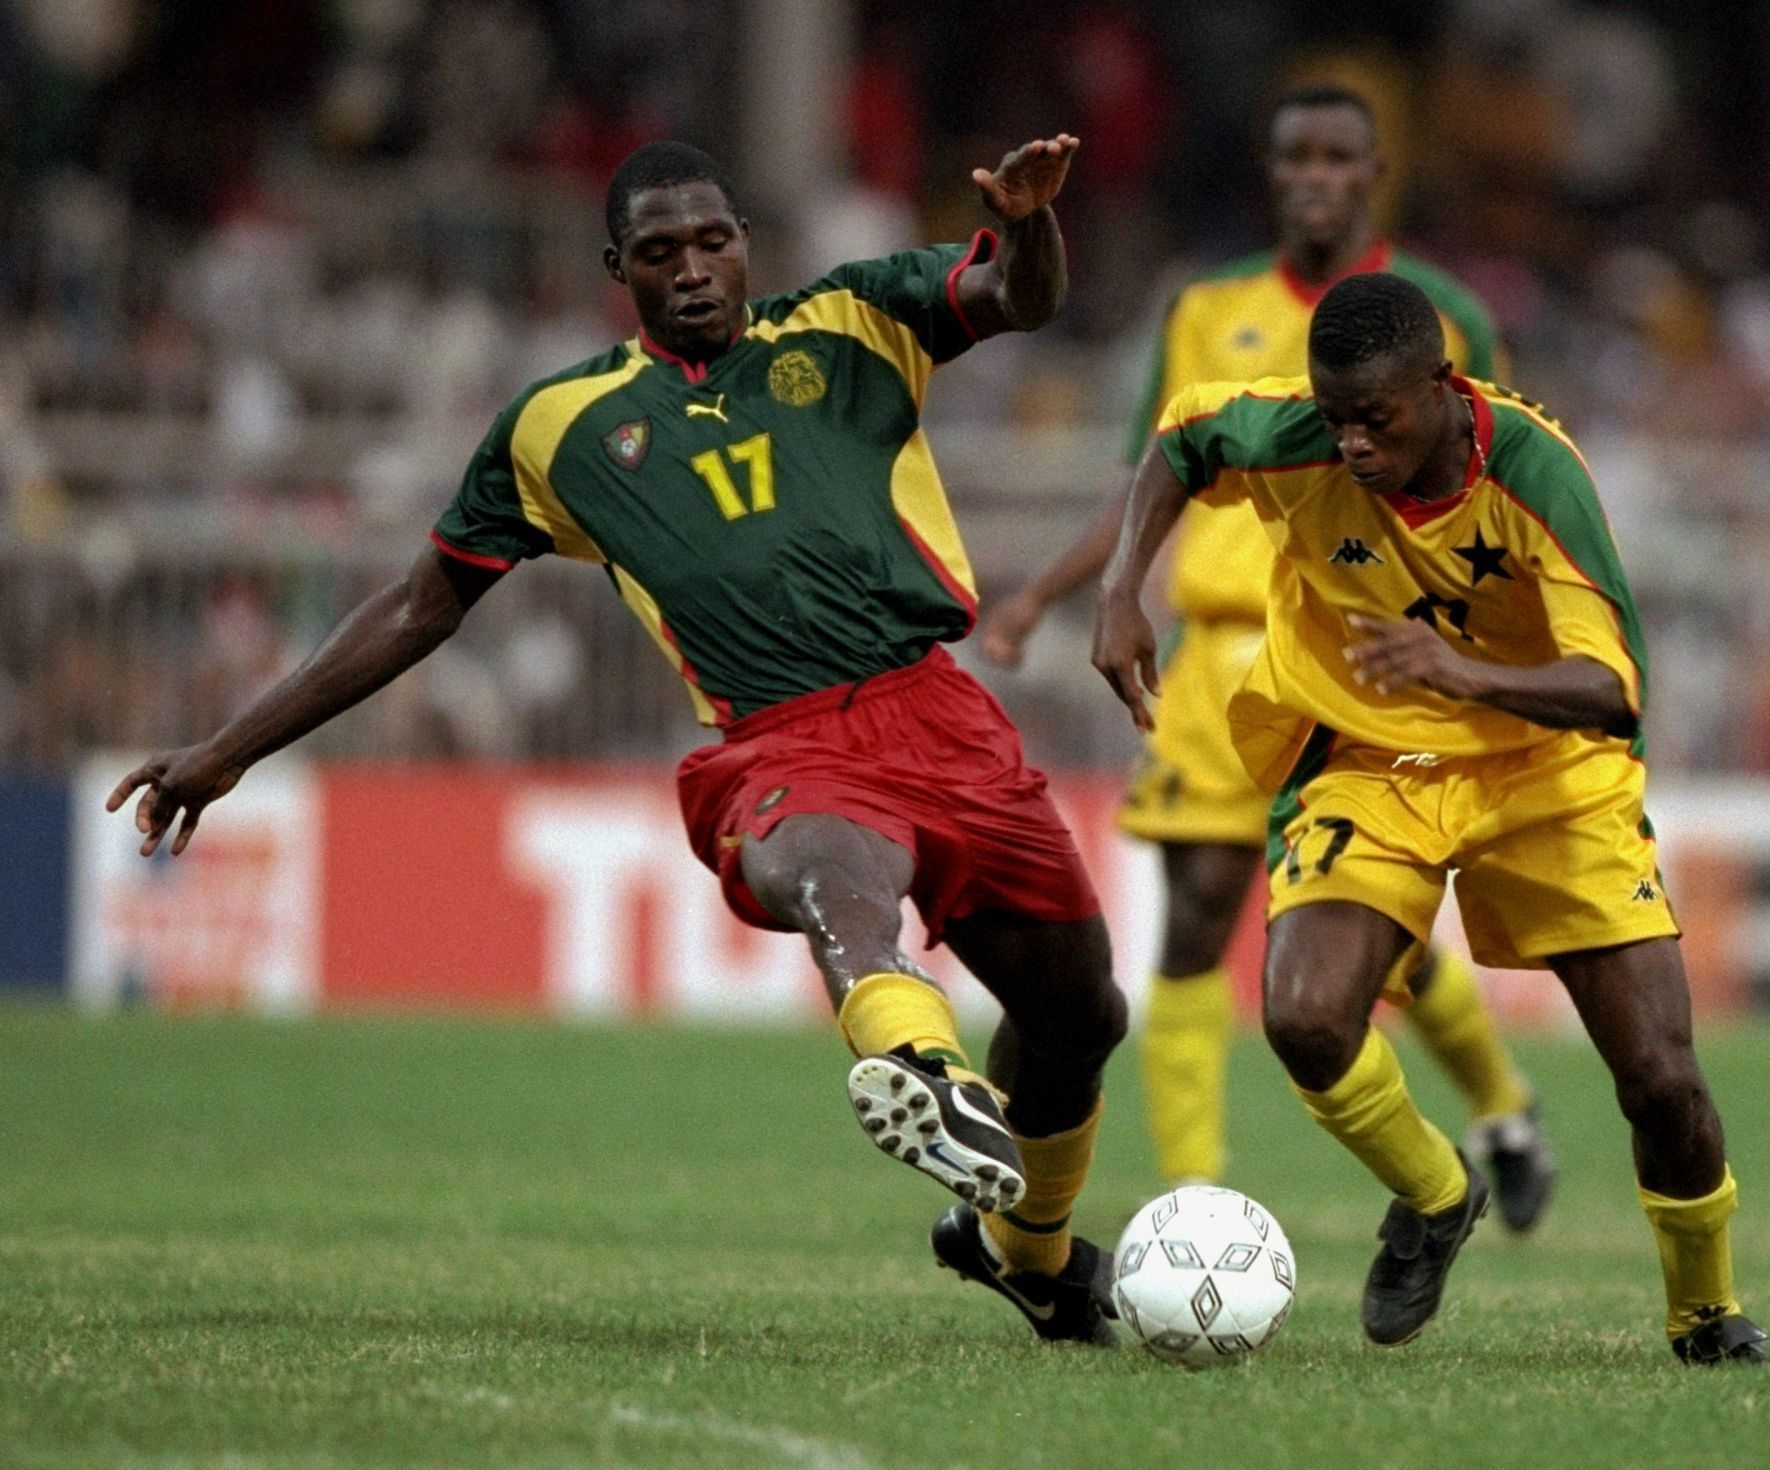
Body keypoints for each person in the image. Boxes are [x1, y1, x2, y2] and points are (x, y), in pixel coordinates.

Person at [107, 137, 1129, 1346]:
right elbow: (421, 602)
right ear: (618, 270)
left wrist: (1030, 225)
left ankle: (1025, 1252)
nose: (693, 269)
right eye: (659, 253)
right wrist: (228, 750)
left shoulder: (858, 318)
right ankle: (921, 1067)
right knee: (827, 868)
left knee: (1081, 1017)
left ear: (746, 242)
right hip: (783, 736)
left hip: (940, 709)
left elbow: (1022, 296)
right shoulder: (561, 427)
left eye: (713, 242)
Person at [1091, 270, 1769, 1363]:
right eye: (1336, 416)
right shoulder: (1294, 433)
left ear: (1445, 387)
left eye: (1377, 418)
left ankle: (1706, 1312)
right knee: (1305, 1017)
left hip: (1546, 771)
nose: (1351, 443)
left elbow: (1615, 688)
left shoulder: (1538, 471)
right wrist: (1124, 590)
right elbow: (1181, 440)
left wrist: (1459, 671)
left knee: (1663, 1080)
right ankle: (1438, 1194)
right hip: (1373, 757)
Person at [982, 86, 1554, 1228]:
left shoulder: (1438, 311)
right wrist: (1059, 591)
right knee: (1196, 911)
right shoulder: (1207, 305)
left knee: (1374, 946)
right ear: (1271, 167)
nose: (1314, 177)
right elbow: (1152, 467)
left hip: (1375, 655)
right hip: (1226, 654)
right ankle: (1196, 1192)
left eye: (1338, 156)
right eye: (1295, 155)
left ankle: (1498, 1106)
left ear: (1375, 169)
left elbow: (1497, 475)